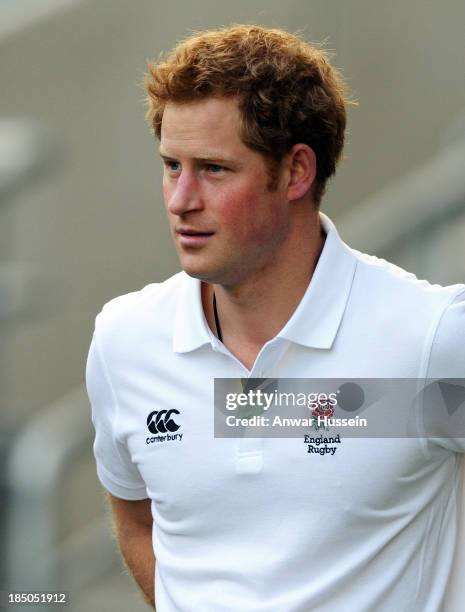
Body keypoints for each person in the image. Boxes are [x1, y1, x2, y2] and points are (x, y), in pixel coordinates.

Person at [86, 24, 465, 612]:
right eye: (171, 166)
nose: (180, 199)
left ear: (295, 172)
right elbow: (137, 521)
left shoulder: (431, 339)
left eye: (213, 169)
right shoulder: (125, 339)